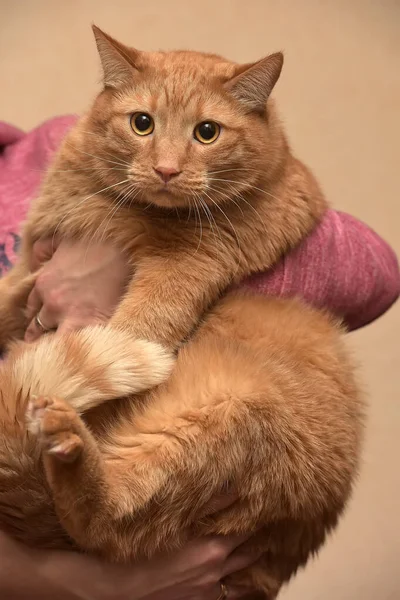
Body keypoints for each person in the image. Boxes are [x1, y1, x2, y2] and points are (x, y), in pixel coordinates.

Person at [0, 116, 399, 599]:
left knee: (249, 403)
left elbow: (372, 273)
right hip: (61, 506)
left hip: (184, 489)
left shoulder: (61, 145)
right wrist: (83, 586)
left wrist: (128, 252)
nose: (168, 162)